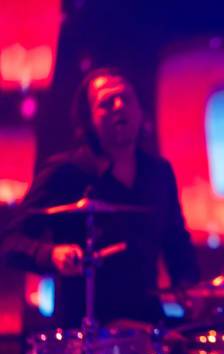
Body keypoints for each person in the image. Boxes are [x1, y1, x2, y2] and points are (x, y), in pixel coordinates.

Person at [0, 67, 199, 328]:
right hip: (84, 329)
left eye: (126, 99)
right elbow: (11, 242)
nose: (119, 106)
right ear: (89, 119)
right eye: (107, 102)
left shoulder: (158, 173)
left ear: (140, 111)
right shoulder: (64, 172)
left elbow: (176, 243)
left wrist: (189, 286)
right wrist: (51, 254)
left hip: (147, 324)